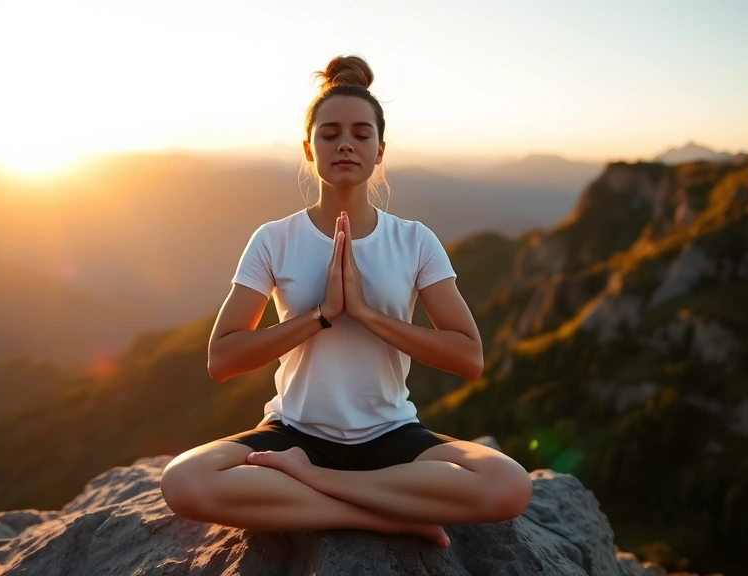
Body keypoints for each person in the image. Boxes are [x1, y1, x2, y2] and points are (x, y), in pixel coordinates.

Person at [160, 55, 532, 548]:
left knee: (508, 485)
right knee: (183, 481)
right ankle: (387, 515)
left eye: (361, 133)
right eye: (330, 133)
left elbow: (468, 357)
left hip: (390, 433)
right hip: (293, 432)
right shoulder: (274, 239)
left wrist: (365, 314)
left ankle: (317, 484)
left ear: (379, 151)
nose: (345, 144)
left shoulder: (414, 241)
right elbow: (222, 359)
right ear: (309, 149)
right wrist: (322, 316)